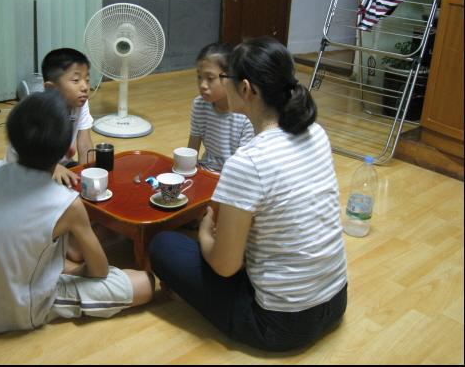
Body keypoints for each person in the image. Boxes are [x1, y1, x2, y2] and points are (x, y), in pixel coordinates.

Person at [149, 37, 347, 352]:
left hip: (278, 324)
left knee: (162, 244)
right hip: (335, 301)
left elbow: (226, 266)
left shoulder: (248, 161)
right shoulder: (315, 132)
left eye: (222, 77)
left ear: (245, 89)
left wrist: (203, 231)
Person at [0, 90, 154, 334]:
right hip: (14, 310)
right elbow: (99, 271)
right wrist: (79, 272)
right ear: (68, 152)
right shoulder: (66, 203)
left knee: (59, 251)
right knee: (144, 283)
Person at [6, 48, 95, 188]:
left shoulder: (80, 102)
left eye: (87, 80)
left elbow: (84, 144)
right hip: (27, 168)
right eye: (76, 80)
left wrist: (89, 175)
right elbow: (29, 153)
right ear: (50, 88)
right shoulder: (39, 109)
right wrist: (53, 168)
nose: (84, 87)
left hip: (61, 163)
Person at [188, 42, 254, 173]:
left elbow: (243, 164)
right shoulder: (200, 105)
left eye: (210, 78)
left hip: (234, 175)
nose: (202, 85)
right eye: (199, 77)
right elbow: (192, 148)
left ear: (229, 78)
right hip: (206, 168)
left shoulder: (246, 113)